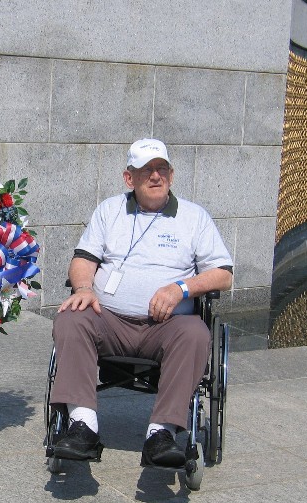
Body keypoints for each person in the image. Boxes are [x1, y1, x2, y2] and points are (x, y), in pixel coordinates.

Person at [50, 138, 233, 468]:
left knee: (196, 334)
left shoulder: (195, 217)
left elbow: (223, 274)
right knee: (71, 318)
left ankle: (161, 434)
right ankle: (82, 427)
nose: (155, 176)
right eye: (146, 170)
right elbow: (83, 259)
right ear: (129, 178)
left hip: (168, 326)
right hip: (109, 319)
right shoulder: (109, 210)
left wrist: (181, 288)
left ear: (171, 175)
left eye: (161, 168)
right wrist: (84, 288)